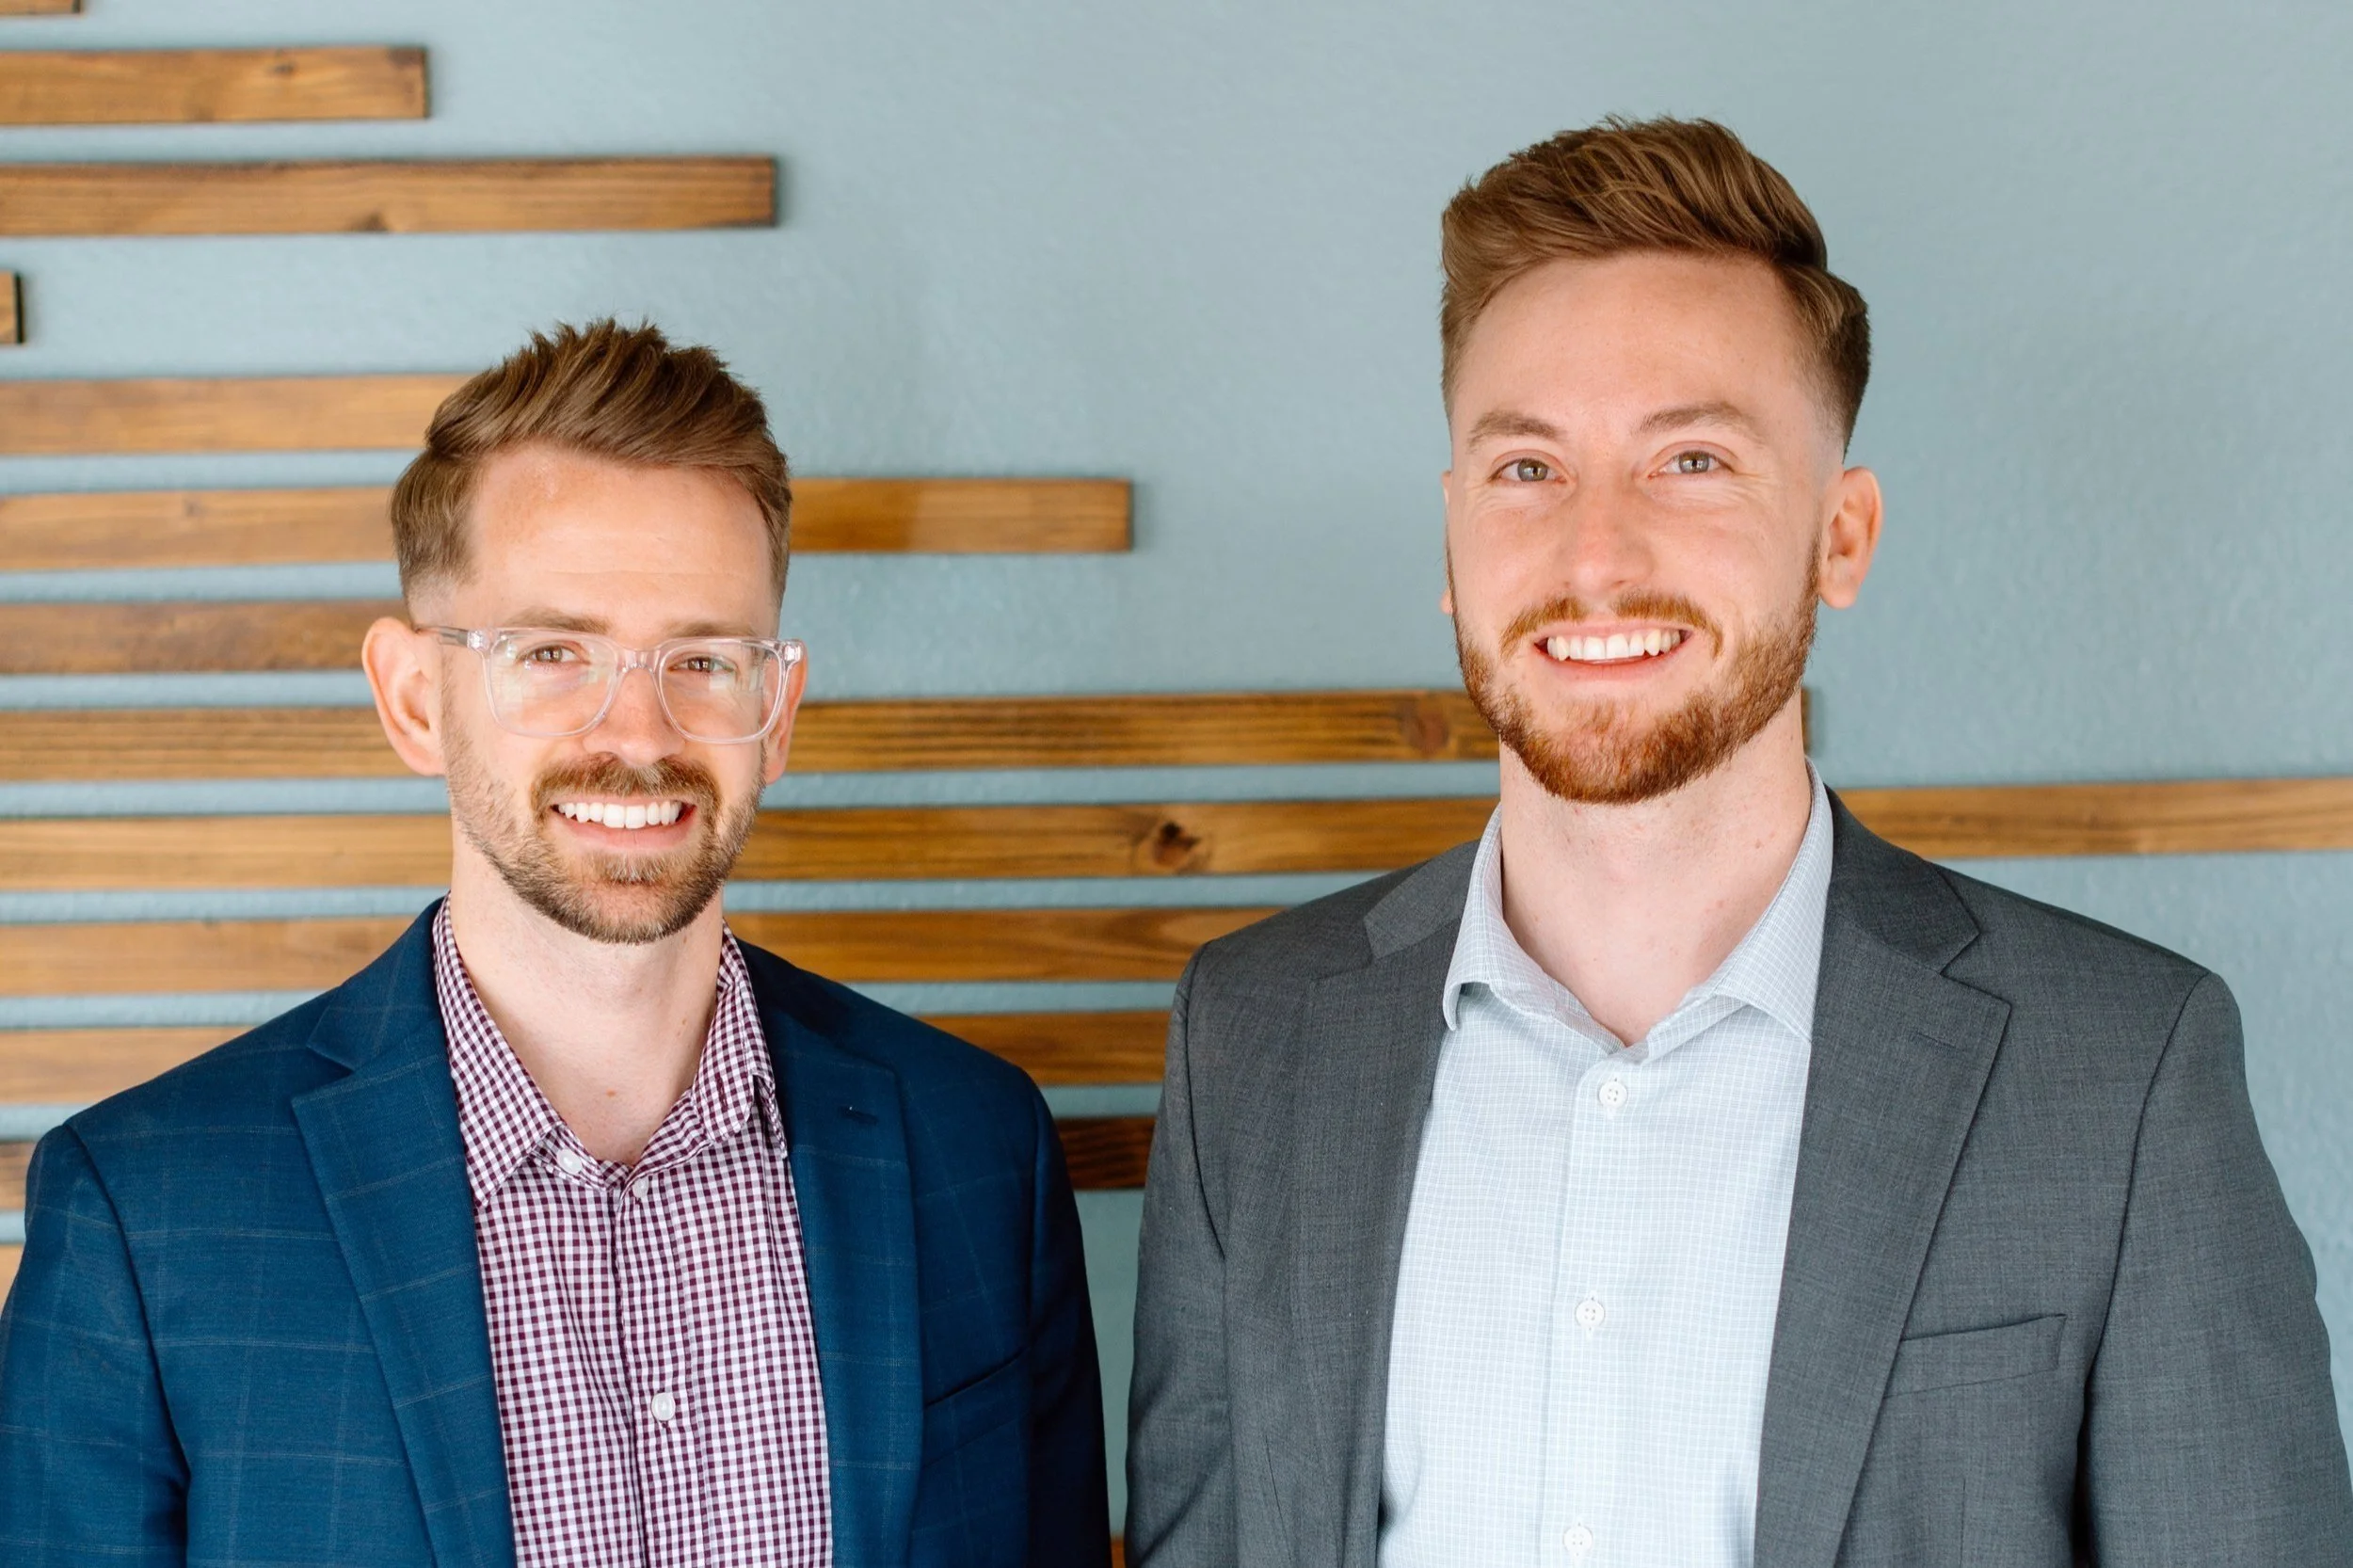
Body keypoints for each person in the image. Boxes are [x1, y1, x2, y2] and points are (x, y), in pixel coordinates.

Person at [1126, 118, 2353, 1566]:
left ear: (1842, 536)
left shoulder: (2124, 1072)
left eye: (1691, 458)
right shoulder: (1251, 1040)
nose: (1596, 557)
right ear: (1452, 545)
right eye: (1528, 469)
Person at [0, 321, 1110, 1568]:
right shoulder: (149, 1214)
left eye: (702, 656)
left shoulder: (975, 1149)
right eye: (551, 653)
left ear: (777, 711)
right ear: (415, 696)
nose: (635, 729)